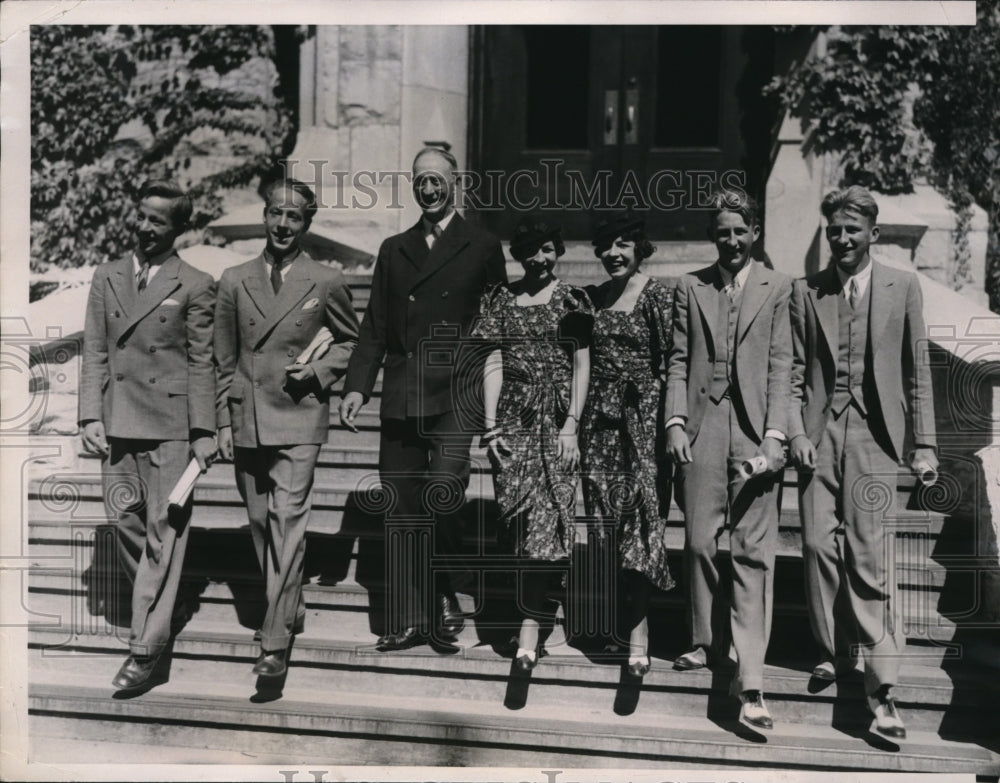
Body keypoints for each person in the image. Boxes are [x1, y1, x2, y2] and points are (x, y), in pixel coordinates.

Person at [339, 147, 507, 651]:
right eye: (420, 182)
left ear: (455, 182)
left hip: (457, 390)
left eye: (437, 181)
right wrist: (355, 386)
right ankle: (414, 615)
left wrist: (498, 397)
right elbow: (374, 325)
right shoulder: (394, 248)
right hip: (403, 390)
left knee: (443, 492)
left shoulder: (480, 244)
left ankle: (448, 587)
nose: (428, 190)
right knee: (402, 507)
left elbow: (499, 323)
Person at [789, 185, 937, 740]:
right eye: (834, 231)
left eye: (852, 231)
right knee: (814, 544)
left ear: (873, 234)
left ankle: (883, 690)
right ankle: (833, 648)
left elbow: (918, 370)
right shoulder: (810, 292)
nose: (842, 240)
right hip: (821, 435)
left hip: (876, 438)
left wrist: (924, 443)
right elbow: (794, 369)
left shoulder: (904, 286)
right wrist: (797, 431)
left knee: (869, 556)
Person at [215, 178, 359, 678]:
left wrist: (318, 373)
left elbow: (349, 343)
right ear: (264, 216)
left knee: (287, 521)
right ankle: (289, 605)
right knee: (261, 525)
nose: (282, 224)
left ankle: (274, 642)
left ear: (307, 224)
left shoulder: (325, 280)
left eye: (294, 217)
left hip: (298, 416)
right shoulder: (234, 279)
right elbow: (222, 358)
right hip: (247, 416)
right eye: (276, 213)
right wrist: (220, 423)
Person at [79, 179, 217, 691]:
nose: (143, 226)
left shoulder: (197, 283)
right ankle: (170, 600)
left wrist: (204, 431)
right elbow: (95, 349)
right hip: (118, 424)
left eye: (157, 220)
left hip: (172, 428)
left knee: (165, 533)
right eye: (141, 215)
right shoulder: (107, 275)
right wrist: (89, 415)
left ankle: (146, 649)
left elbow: (204, 361)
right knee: (126, 524)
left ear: (179, 229)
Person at [665, 189, 792, 730]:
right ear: (712, 235)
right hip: (703, 424)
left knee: (752, 553)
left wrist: (776, 436)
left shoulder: (779, 287)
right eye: (722, 232)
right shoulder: (690, 287)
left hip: (756, 428)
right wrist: (673, 422)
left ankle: (751, 679)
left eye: (740, 231)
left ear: (755, 233)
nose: (732, 241)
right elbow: (675, 361)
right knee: (697, 541)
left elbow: (784, 364)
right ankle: (703, 638)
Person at [473, 217, 592, 670]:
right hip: (513, 422)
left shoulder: (572, 299)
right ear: (518, 255)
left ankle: (529, 629)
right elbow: (493, 361)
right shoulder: (502, 299)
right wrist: (491, 427)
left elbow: (582, 365)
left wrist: (571, 425)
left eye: (548, 250)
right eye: (531, 251)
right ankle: (532, 611)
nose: (541, 260)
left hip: (558, 424)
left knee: (549, 523)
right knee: (520, 527)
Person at [581, 214, 676, 679]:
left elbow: (671, 363)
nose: (613, 254)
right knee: (606, 527)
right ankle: (610, 623)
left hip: (643, 426)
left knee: (641, 525)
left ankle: (640, 637)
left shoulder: (658, 295)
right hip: (599, 426)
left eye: (622, 245)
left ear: (639, 247)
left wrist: (668, 425)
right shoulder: (595, 298)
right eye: (605, 247)